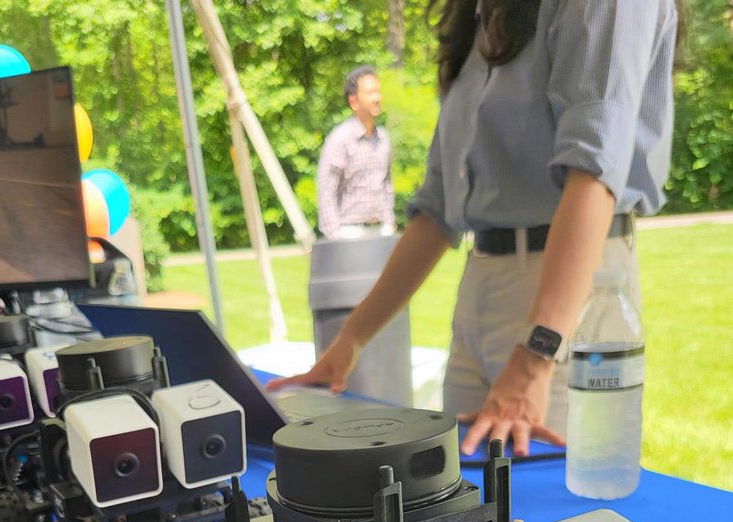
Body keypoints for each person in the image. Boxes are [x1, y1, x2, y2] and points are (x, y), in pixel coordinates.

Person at [275, 0, 682, 458]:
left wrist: (534, 357)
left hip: (568, 301)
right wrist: (349, 341)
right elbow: (435, 208)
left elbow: (594, 173)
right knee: (460, 503)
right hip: (479, 290)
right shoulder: (481, 14)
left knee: (550, 513)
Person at [316, 66, 396, 240]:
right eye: (370, 93)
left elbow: (387, 186)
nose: (377, 98)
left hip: (381, 230)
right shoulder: (340, 139)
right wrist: (335, 235)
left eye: (378, 92)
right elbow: (326, 191)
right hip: (349, 232)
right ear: (354, 101)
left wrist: (389, 222)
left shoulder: (383, 138)